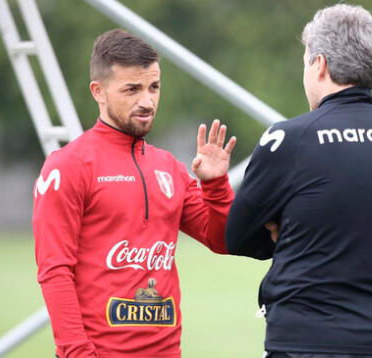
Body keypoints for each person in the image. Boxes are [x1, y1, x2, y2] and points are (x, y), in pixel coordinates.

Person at [226, 4, 372, 357]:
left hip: (305, 341)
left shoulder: (290, 138)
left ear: (319, 64)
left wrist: (290, 230)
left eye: (305, 61)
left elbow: (239, 236)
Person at [32, 29, 236, 358]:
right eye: (132, 89)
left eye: (154, 87)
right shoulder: (69, 165)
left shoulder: (168, 167)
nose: (147, 101)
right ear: (98, 92)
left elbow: (225, 240)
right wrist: (77, 353)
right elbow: (54, 270)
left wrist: (215, 185)